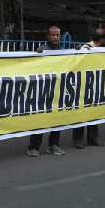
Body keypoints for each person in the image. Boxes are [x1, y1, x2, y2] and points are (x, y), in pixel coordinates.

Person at [28, 25, 68, 153]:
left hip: (57, 90)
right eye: (53, 35)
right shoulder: (42, 50)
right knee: (40, 118)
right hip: (43, 90)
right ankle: (34, 147)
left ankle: (53, 144)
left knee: (57, 117)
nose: (55, 37)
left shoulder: (63, 51)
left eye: (57, 35)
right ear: (48, 36)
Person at [73, 28, 105, 147]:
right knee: (81, 112)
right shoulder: (86, 48)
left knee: (94, 111)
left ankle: (93, 138)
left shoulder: (103, 48)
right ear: (101, 39)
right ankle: (78, 140)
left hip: (95, 84)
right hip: (83, 85)